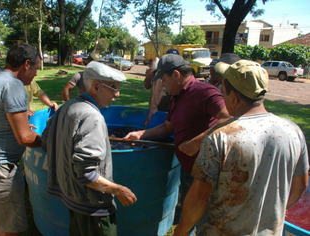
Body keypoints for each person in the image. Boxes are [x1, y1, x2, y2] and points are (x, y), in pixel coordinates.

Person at [174, 60, 309, 236]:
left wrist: (181, 231)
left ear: (234, 97)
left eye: (223, 92)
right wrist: (273, 213)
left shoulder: (220, 137)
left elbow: (199, 197)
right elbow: (300, 185)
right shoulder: (293, 130)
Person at [124, 54, 231, 235]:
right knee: (189, 216)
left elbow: (229, 118)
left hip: (208, 173)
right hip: (189, 170)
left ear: (176, 75)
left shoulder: (205, 92)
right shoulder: (176, 97)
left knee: (206, 222)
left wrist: (197, 142)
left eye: (164, 80)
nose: (163, 85)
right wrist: (141, 134)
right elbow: (167, 128)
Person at [42, 62, 137, 236]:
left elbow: (46, 141)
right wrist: (118, 190)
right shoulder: (92, 117)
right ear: (96, 87)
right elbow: (86, 174)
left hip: (72, 199)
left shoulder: (66, 107)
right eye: (114, 88)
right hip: (93, 208)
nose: (118, 94)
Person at [0, 43, 42, 236]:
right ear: (26, 64)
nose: (36, 75)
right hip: (0, 169)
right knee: (12, 231)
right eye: (36, 69)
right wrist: (49, 141)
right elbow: (25, 138)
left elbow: (1, 116)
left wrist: (23, 123)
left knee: (2, 220)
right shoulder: (14, 85)